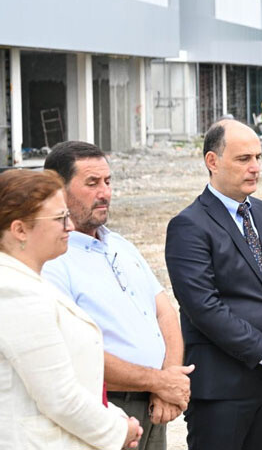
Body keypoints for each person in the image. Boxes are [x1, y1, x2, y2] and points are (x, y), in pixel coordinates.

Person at [165, 119, 262, 450]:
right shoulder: (188, 226)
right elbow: (204, 307)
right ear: (212, 162)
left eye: (258, 157)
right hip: (222, 389)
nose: (256, 168)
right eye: (244, 159)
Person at [42, 141, 193, 450]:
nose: (105, 192)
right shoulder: (53, 260)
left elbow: (165, 312)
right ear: (58, 189)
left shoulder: (120, 245)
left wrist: (169, 378)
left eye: (108, 181)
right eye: (92, 183)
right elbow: (72, 352)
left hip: (153, 405)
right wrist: (158, 382)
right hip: (106, 408)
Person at [0, 169, 143, 449]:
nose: (69, 226)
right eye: (59, 218)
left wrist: (115, 416)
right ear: (19, 230)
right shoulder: (14, 293)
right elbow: (59, 398)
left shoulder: (27, 283)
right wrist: (118, 431)